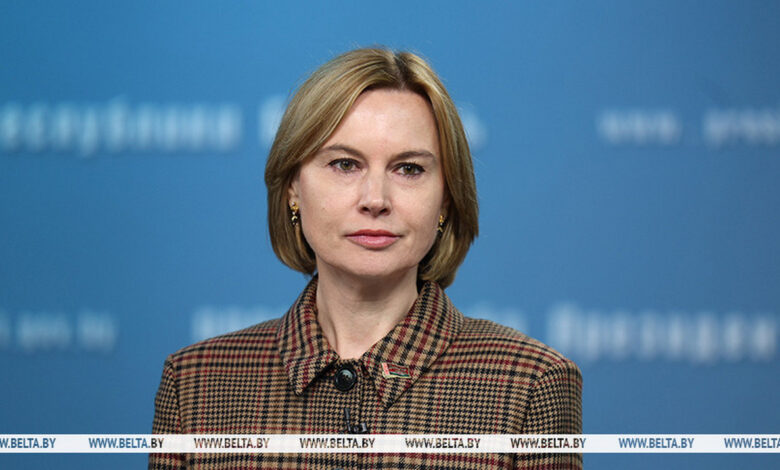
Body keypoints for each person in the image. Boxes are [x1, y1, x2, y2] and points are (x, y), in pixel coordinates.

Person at [150, 47, 582, 470]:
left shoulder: (531, 383)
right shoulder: (194, 383)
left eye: (408, 169)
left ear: (446, 198)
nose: (375, 199)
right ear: (293, 187)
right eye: (345, 164)